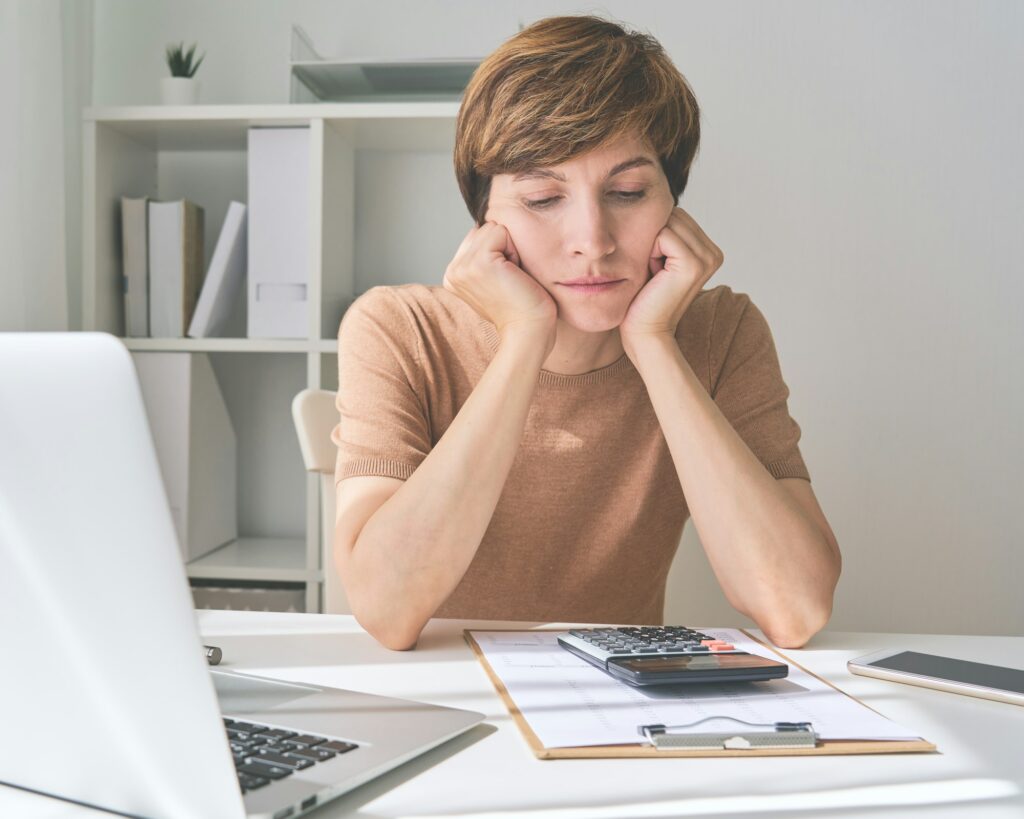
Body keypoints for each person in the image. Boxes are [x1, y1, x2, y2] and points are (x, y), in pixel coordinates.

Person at [330, 14, 841, 652]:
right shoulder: (398, 328)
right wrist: (524, 340)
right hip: (442, 700)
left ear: (672, 206)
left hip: (621, 708)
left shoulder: (720, 331)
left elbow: (794, 607)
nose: (592, 243)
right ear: (484, 216)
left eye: (627, 191)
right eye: (543, 198)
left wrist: (654, 344)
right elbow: (386, 608)